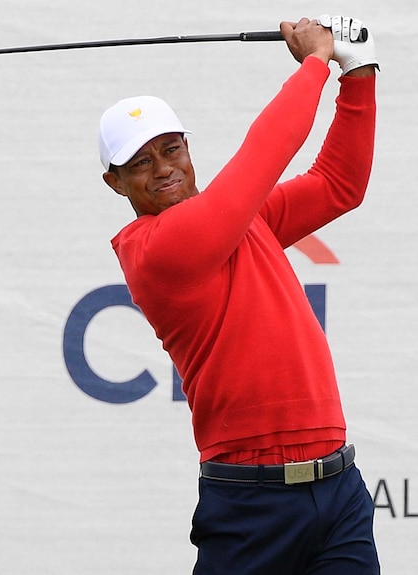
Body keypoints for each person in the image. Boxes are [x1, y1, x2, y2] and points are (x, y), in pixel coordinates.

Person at [98, 16, 379, 574]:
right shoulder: (157, 248)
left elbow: (340, 184)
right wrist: (314, 63)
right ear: (115, 182)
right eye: (140, 163)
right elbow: (265, 153)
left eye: (171, 149)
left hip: (339, 487)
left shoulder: (244, 220)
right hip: (252, 505)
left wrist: (358, 72)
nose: (164, 169)